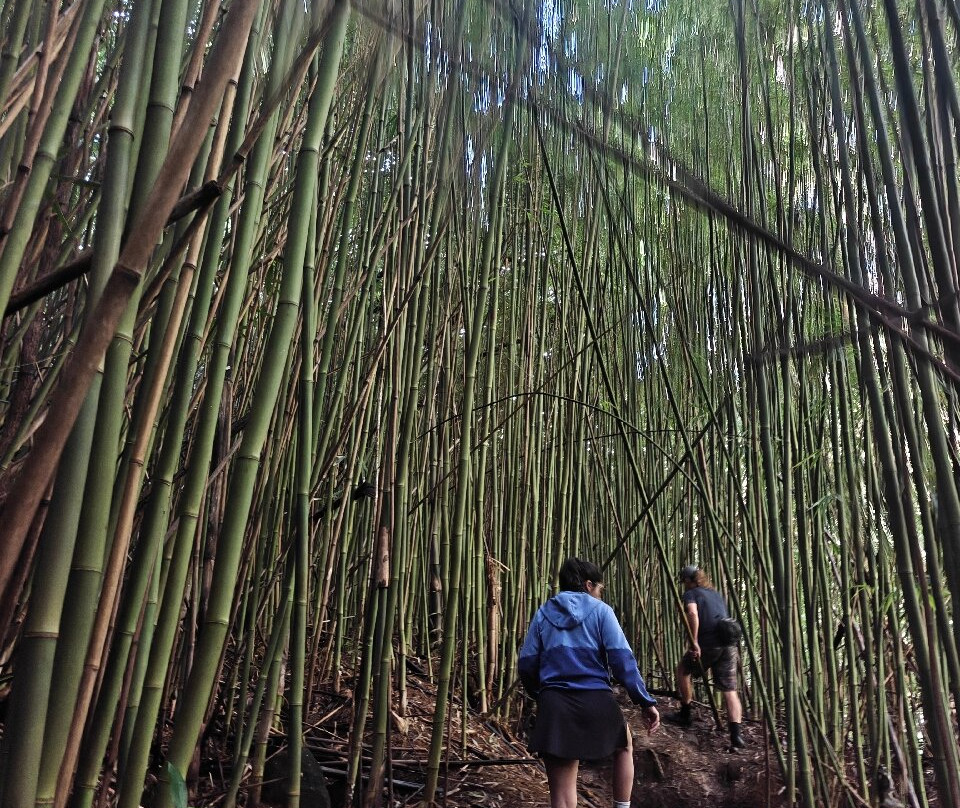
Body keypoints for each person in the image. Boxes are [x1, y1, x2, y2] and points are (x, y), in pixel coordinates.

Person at [518, 557, 660, 808]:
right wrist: (644, 701)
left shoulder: (543, 613)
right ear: (588, 585)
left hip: (556, 705)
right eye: (599, 589)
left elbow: (527, 663)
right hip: (596, 699)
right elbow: (622, 659)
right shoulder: (601, 612)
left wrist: (541, 695)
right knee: (624, 745)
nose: (599, 595)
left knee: (562, 795)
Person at [671, 564, 745, 749]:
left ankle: (686, 713)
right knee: (730, 690)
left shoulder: (691, 593)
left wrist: (694, 641)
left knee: (683, 670)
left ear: (688, 581)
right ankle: (736, 734)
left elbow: (693, 613)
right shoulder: (715, 593)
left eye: (684, 582)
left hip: (709, 643)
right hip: (728, 643)